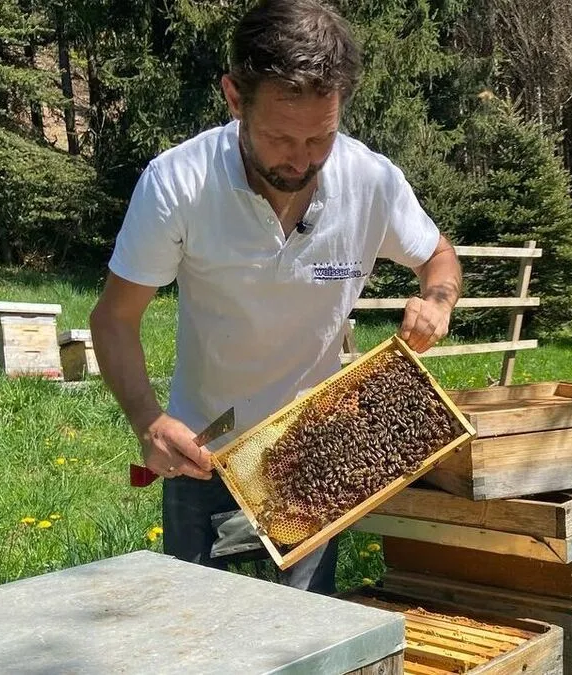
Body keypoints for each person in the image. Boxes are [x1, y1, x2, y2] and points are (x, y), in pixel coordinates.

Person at [89, 0, 462, 594]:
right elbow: (114, 319)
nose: (301, 159)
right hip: (204, 450)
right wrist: (148, 422)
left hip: (317, 443)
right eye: (280, 137)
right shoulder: (178, 182)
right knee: (200, 624)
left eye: (321, 138)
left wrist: (437, 301)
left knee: (306, 629)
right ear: (234, 98)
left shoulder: (371, 181)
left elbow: (438, 256)